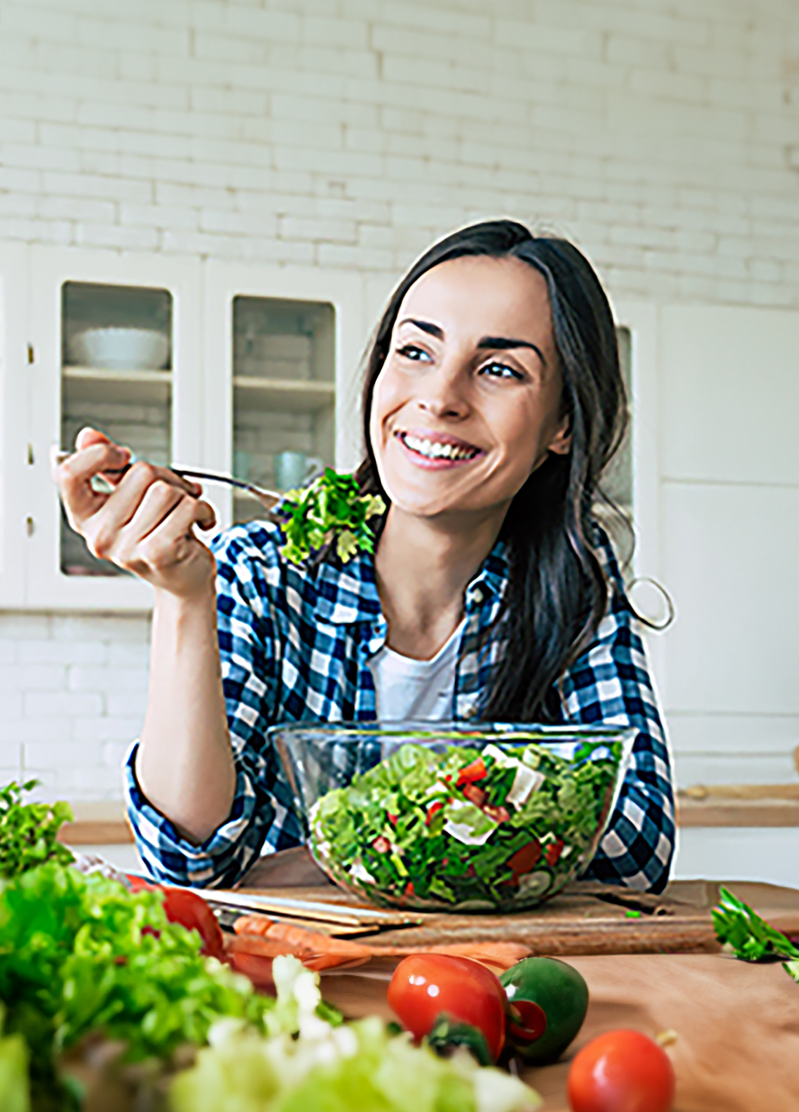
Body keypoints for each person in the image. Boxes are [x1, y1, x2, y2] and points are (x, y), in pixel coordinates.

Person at [52, 220, 675, 891]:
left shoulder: (576, 582)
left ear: (562, 424)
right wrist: (181, 598)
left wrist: (342, 853)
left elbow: (636, 847)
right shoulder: (261, 570)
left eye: (498, 369)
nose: (439, 398)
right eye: (415, 352)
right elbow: (193, 860)